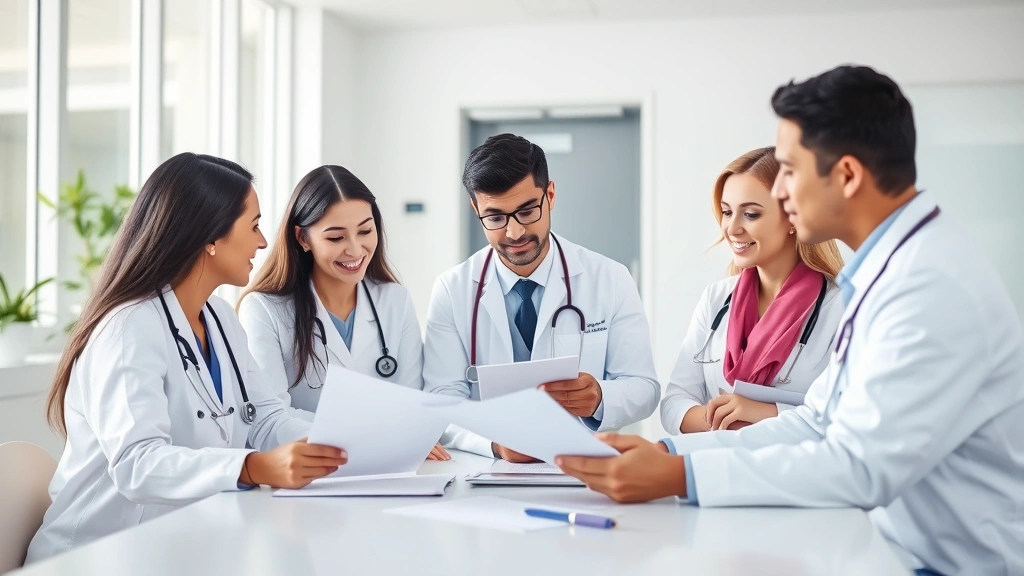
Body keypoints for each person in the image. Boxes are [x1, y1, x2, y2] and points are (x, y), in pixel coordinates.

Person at [556, 66, 1024, 576]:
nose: (781, 193)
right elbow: (817, 421)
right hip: (897, 550)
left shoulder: (928, 286)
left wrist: (678, 474)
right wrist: (666, 450)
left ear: (846, 175)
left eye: (791, 171)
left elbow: (858, 466)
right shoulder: (889, 273)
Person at [27, 154, 347, 563]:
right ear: (209, 238)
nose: (263, 242)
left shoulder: (221, 320)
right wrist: (251, 467)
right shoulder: (128, 328)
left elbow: (268, 420)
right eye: (253, 226)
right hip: (96, 556)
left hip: (182, 544)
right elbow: (137, 464)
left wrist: (362, 440)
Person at [423, 134, 660, 462]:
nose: (515, 232)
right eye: (495, 218)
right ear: (476, 209)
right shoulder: (453, 289)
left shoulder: (610, 278)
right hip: (485, 472)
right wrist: (495, 445)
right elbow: (441, 399)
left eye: (527, 211)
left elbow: (645, 388)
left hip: (580, 467)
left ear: (550, 194)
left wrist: (600, 397)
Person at [237, 165, 448, 461]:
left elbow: (412, 404)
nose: (355, 249)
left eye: (365, 231)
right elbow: (271, 421)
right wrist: (377, 436)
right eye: (336, 238)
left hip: (388, 469)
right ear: (302, 239)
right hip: (309, 473)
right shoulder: (264, 309)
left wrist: (394, 435)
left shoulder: (394, 301)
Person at [661, 147, 844, 434]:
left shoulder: (841, 306)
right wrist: (729, 420)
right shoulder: (716, 298)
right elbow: (673, 406)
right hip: (717, 471)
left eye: (750, 214)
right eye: (726, 212)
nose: (731, 229)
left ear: (794, 219)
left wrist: (763, 412)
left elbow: (846, 417)